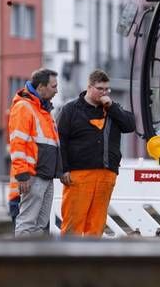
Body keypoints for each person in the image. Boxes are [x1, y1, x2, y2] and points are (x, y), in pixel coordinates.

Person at [57, 69, 136, 236]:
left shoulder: (113, 110)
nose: (105, 92)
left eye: (107, 89)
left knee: (97, 222)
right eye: (100, 89)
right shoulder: (70, 110)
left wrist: (111, 106)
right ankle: (70, 257)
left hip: (106, 174)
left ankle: (91, 258)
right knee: (74, 221)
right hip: (79, 175)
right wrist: (63, 169)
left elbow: (130, 126)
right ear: (89, 87)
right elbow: (60, 141)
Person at [7, 68, 61, 236]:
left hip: (44, 176)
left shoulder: (44, 111)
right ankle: (22, 261)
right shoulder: (24, 107)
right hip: (32, 177)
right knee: (27, 224)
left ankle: (34, 260)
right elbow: (18, 144)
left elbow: (52, 144)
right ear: (41, 87)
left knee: (39, 227)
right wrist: (22, 175)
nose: (56, 90)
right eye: (53, 86)